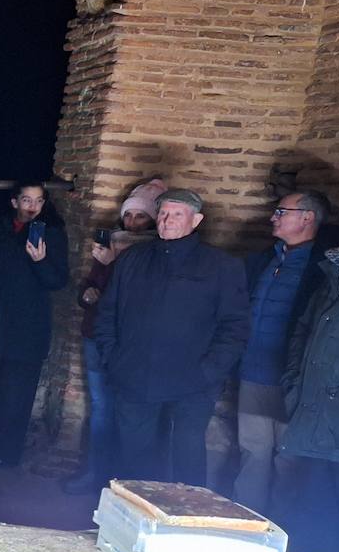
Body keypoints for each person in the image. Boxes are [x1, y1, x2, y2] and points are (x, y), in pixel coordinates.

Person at [94, 188, 250, 486]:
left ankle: (183, 524)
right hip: (134, 374)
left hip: (192, 381)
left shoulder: (220, 266)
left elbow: (235, 327)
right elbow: (108, 313)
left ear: (196, 220)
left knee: (186, 459)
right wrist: (114, 358)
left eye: (177, 214)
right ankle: (135, 522)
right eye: (163, 214)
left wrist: (207, 372)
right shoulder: (132, 259)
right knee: (133, 459)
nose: (167, 221)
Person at [62, 179, 165, 495]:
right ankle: (96, 477)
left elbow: (137, 297)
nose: (133, 223)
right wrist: (87, 294)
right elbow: (91, 285)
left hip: (130, 343)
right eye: (129, 216)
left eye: (141, 217)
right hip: (97, 335)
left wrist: (111, 266)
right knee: (101, 408)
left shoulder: (158, 252)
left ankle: (125, 485)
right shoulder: (110, 245)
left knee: (131, 413)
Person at [234, 191, 332, 514]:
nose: (273, 217)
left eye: (281, 211)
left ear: (307, 218)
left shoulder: (325, 268)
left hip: (293, 381)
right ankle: (245, 524)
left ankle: (285, 532)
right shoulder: (265, 259)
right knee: (252, 453)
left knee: (289, 460)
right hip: (253, 372)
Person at [277, 208, 339, 552]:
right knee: (313, 510)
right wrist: (294, 386)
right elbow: (301, 335)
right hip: (316, 419)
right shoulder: (333, 279)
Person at [0, 181, 69, 468]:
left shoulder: (51, 235)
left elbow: (58, 281)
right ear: (15, 202)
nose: (32, 207)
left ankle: (6, 456)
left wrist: (40, 261)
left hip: (28, 330)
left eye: (38, 201)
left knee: (17, 397)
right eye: (26, 200)